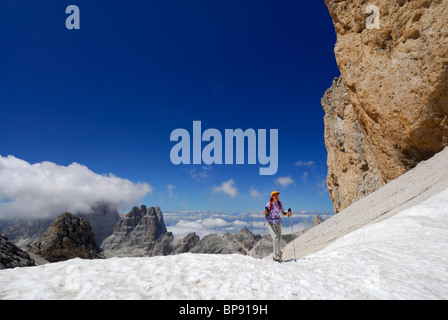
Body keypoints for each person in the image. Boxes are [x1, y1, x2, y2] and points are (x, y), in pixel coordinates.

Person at [263, 191, 291, 263]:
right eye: (275, 195)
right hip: (271, 223)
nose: (276, 196)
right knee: (275, 239)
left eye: (277, 195)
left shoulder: (279, 204)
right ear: (272, 196)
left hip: (278, 223)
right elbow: (266, 209)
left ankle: (279, 255)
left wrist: (288, 214)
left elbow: (283, 213)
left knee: (278, 239)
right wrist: (265, 211)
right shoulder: (269, 204)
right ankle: (276, 257)